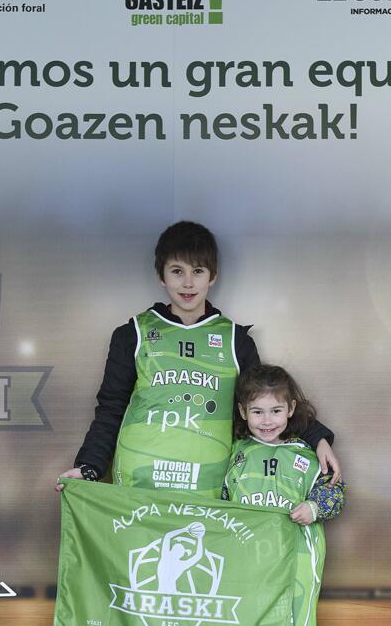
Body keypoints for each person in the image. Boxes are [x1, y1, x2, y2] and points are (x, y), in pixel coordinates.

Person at [57, 221, 341, 498]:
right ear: (161, 276)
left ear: (212, 276)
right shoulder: (132, 334)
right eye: (177, 271)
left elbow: (264, 400)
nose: (188, 282)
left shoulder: (236, 341)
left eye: (198, 271)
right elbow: (111, 409)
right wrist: (89, 466)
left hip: (209, 488)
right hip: (138, 483)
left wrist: (317, 437)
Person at [223, 364, 345, 626]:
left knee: (292, 613)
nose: (267, 421)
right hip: (244, 552)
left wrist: (314, 507)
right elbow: (221, 498)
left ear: (290, 409)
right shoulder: (234, 452)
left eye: (276, 411)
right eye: (257, 412)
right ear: (243, 412)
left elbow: (334, 489)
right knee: (243, 612)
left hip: (296, 554)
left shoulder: (307, 453)